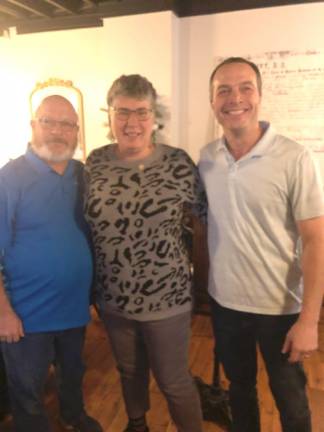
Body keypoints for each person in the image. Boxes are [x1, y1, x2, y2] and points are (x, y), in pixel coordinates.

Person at [199, 56, 324, 432]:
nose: (234, 98)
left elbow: (315, 239)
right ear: (213, 102)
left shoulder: (294, 157)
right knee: (240, 391)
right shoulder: (207, 159)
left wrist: (309, 320)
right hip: (225, 303)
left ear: (259, 96)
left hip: (281, 307)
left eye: (244, 88)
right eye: (223, 90)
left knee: (291, 400)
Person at [84, 74, 206, 432]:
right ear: (109, 115)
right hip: (113, 298)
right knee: (129, 370)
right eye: (122, 112)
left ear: (155, 116)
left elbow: (208, 218)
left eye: (142, 112)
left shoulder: (178, 163)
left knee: (173, 380)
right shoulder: (96, 162)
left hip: (167, 297)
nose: (132, 123)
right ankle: (137, 424)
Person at [0, 95, 103, 432]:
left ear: (76, 132)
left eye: (67, 125)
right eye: (49, 122)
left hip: (74, 309)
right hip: (26, 314)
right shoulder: (9, 178)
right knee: (27, 389)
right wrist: (3, 312)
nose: (58, 131)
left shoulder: (82, 175)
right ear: (33, 126)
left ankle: (73, 417)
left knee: (73, 373)